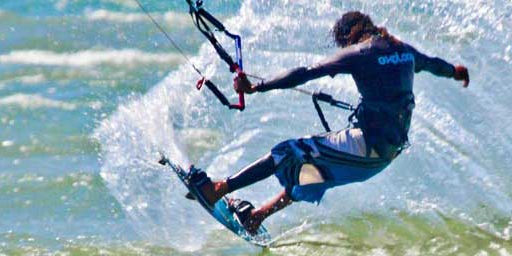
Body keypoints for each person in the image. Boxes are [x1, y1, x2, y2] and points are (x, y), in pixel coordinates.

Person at [185, 11, 470, 233]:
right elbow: (435, 64)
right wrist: (455, 72)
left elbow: (306, 73)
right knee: (313, 172)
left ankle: (219, 189)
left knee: (288, 152)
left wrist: (257, 88)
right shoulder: (404, 50)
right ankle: (257, 217)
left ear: (348, 37)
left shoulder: (361, 52)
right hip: (384, 156)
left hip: (366, 147)